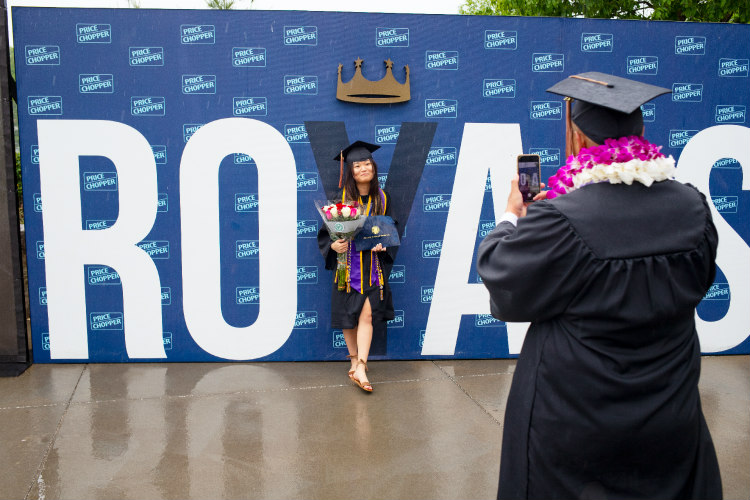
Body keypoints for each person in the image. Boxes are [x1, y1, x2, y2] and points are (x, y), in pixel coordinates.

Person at [477, 72, 723, 499]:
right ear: (641, 133)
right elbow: (698, 285)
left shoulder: (560, 218)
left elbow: (505, 285)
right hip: (669, 409)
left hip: (575, 423)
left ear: (576, 138)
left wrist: (512, 217)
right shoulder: (692, 207)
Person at [318, 141, 396, 393]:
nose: (364, 168)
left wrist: (383, 246)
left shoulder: (382, 198)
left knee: (367, 315)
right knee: (347, 319)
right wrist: (333, 247)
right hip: (346, 267)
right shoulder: (339, 200)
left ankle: (362, 366)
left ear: (374, 167)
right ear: (350, 171)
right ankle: (353, 362)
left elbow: (388, 230)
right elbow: (326, 235)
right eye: (358, 165)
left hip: (372, 267)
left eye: (367, 164)